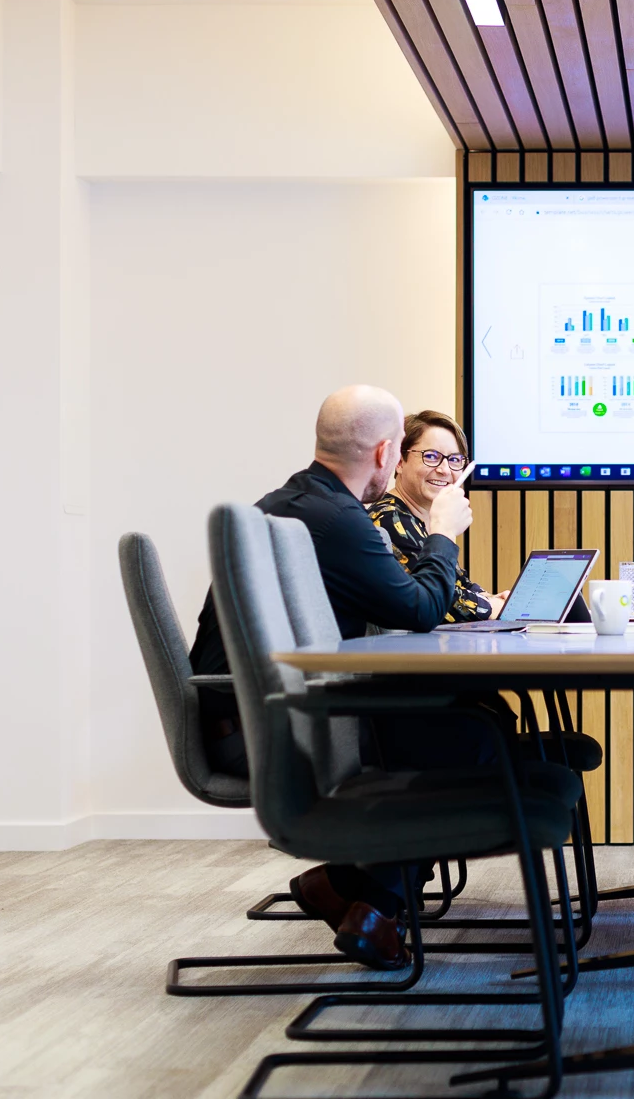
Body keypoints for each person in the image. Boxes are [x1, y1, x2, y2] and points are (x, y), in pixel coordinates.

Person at [188, 385, 485, 970]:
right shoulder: (336, 519)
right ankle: (370, 903)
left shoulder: (295, 502)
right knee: (467, 736)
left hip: (257, 711)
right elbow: (421, 609)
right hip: (271, 728)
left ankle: (353, 889)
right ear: (384, 454)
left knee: (467, 722)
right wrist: (445, 531)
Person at [366, 409, 505, 621]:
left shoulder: (422, 521)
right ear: (399, 461)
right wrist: (494, 607)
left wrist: (493, 598)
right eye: (431, 457)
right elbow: (441, 604)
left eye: (455, 459)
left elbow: (458, 584)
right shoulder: (390, 521)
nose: (445, 470)